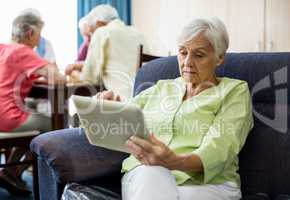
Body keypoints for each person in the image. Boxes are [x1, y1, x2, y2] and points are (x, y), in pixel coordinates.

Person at [94, 18, 253, 200]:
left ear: (220, 57)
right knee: (151, 174)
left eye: (198, 55)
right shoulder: (162, 88)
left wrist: (175, 162)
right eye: (183, 52)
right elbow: (125, 117)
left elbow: (221, 147)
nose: (187, 62)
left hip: (207, 184)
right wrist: (107, 107)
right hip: (147, 176)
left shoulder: (234, 91)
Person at [0, 12, 65, 194]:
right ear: (29, 33)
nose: (39, 39)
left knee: (33, 117)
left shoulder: (4, 48)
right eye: (39, 34)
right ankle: (15, 172)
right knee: (56, 124)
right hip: (8, 117)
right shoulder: (22, 51)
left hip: (3, 114)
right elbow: (58, 78)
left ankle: (10, 172)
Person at [65, 5, 147, 100]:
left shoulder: (101, 32)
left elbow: (90, 77)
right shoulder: (137, 32)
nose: (91, 37)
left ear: (99, 23)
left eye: (92, 32)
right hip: (146, 95)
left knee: (82, 107)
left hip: (123, 99)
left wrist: (74, 74)